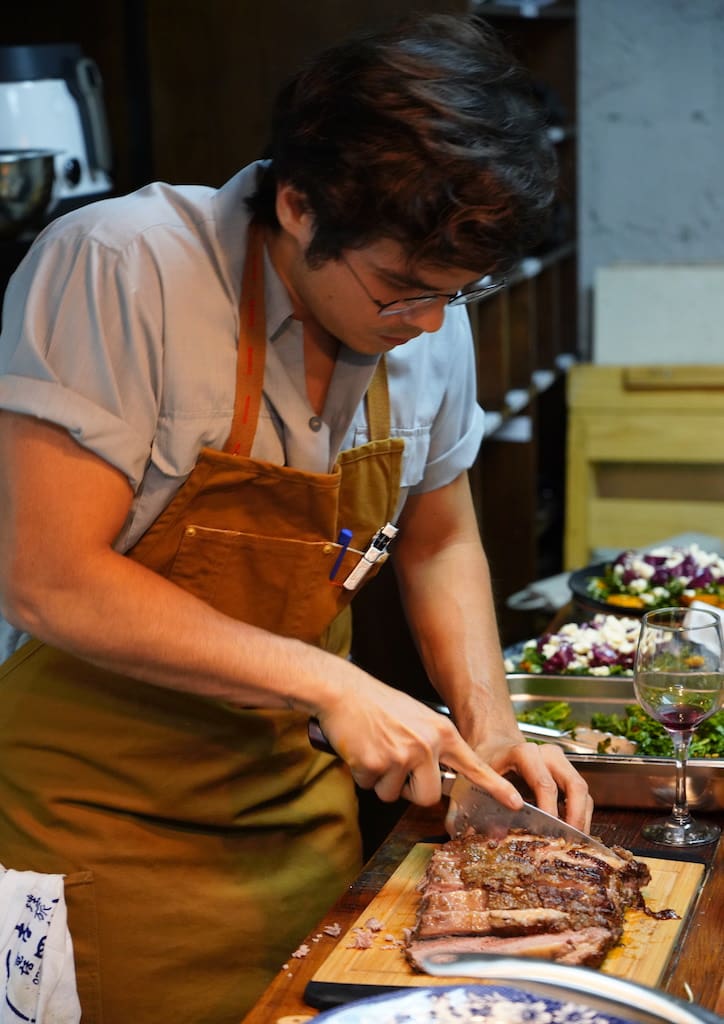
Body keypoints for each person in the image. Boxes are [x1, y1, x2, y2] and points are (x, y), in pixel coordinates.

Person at [0, 12, 592, 1023]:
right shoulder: (123, 266)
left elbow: (441, 537)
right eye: (403, 289)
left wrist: (489, 729)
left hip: (299, 816)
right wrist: (325, 676)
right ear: (298, 205)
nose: (430, 325)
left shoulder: (426, 319)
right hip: (98, 826)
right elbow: (45, 575)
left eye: (457, 293)